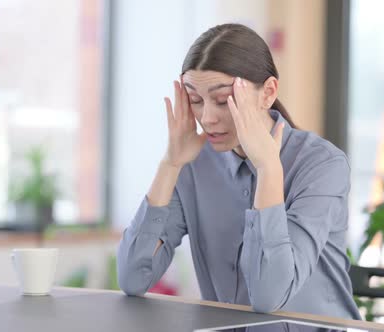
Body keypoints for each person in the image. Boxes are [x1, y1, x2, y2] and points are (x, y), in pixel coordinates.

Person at [116, 23, 361, 320]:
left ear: (268, 92)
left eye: (223, 101)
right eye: (195, 100)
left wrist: (268, 168)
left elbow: (269, 295)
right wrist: (170, 164)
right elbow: (133, 278)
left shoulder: (322, 165)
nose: (207, 117)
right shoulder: (194, 163)